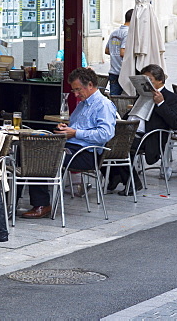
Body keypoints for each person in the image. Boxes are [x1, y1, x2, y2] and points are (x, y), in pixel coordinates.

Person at [21, 67, 116, 219]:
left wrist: (76, 133)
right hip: (72, 146)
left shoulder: (103, 105)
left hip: (86, 153)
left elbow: (106, 134)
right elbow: (75, 126)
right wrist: (65, 128)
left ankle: (41, 204)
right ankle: (15, 199)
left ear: (90, 85)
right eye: (74, 91)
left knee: (41, 157)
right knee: (29, 150)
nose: (76, 94)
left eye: (78, 90)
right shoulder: (82, 104)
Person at [108, 63, 177, 195]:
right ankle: (115, 175)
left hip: (149, 137)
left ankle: (133, 182)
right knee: (101, 141)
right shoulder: (142, 94)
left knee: (120, 146)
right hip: (129, 131)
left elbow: (175, 123)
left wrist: (161, 103)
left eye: (150, 81)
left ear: (160, 81)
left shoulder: (171, 97)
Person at [105, 9, 132, 96]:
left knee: (114, 99)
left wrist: (114, 54)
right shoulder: (128, 33)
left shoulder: (114, 33)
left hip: (113, 71)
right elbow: (122, 52)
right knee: (126, 100)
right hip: (123, 72)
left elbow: (107, 50)